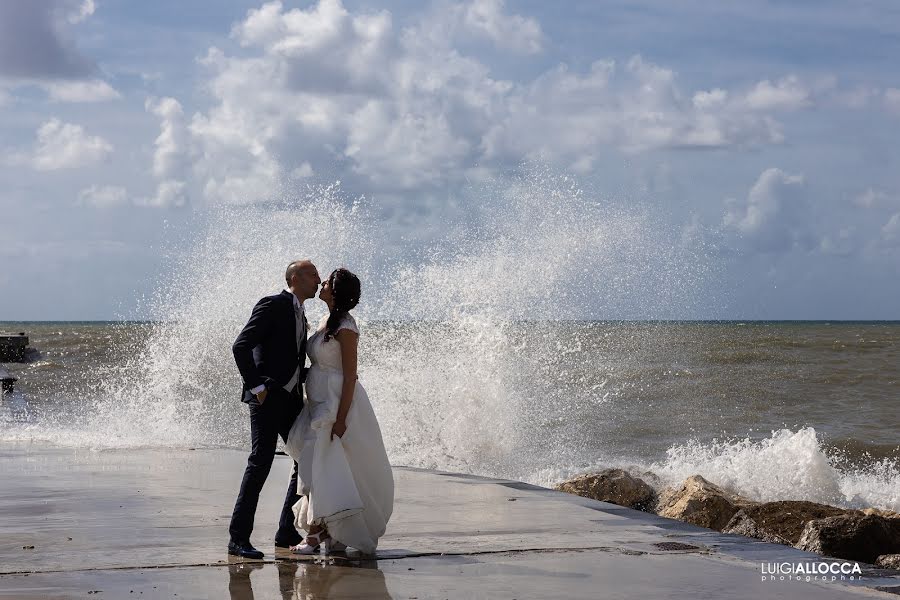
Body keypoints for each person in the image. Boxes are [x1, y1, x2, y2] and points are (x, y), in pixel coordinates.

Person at [285, 268, 394, 556]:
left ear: (336, 291)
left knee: (325, 466)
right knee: (319, 467)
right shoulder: (326, 321)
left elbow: (350, 376)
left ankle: (313, 536)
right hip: (318, 404)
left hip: (337, 405)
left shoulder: (346, 326)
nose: (321, 283)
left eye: (327, 282)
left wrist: (342, 419)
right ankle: (330, 532)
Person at [228, 260, 321, 559]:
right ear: (295, 278)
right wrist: (258, 388)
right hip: (267, 398)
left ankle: (285, 530)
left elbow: (288, 359)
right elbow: (241, 346)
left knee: (305, 458)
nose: (318, 279)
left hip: (291, 398)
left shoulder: (301, 311)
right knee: (260, 462)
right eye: (313, 274)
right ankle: (238, 539)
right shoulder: (272, 304)